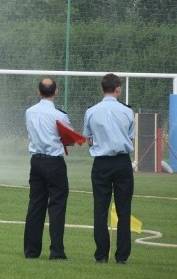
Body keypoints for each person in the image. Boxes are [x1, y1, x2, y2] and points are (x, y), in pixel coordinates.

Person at [83, 73, 135, 264]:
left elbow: (88, 139)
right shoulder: (127, 112)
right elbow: (130, 137)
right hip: (122, 162)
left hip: (101, 163)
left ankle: (101, 255)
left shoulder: (91, 111)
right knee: (124, 210)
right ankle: (122, 256)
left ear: (102, 88)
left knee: (100, 209)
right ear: (118, 88)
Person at [23, 78, 72, 260]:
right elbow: (69, 137)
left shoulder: (29, 112)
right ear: (56, 91)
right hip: (54, 162)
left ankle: (31, 251)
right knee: (57, 206)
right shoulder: (60, 115)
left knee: (36, 205)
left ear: (38, 92)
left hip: (36, 161)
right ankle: (57, 251)